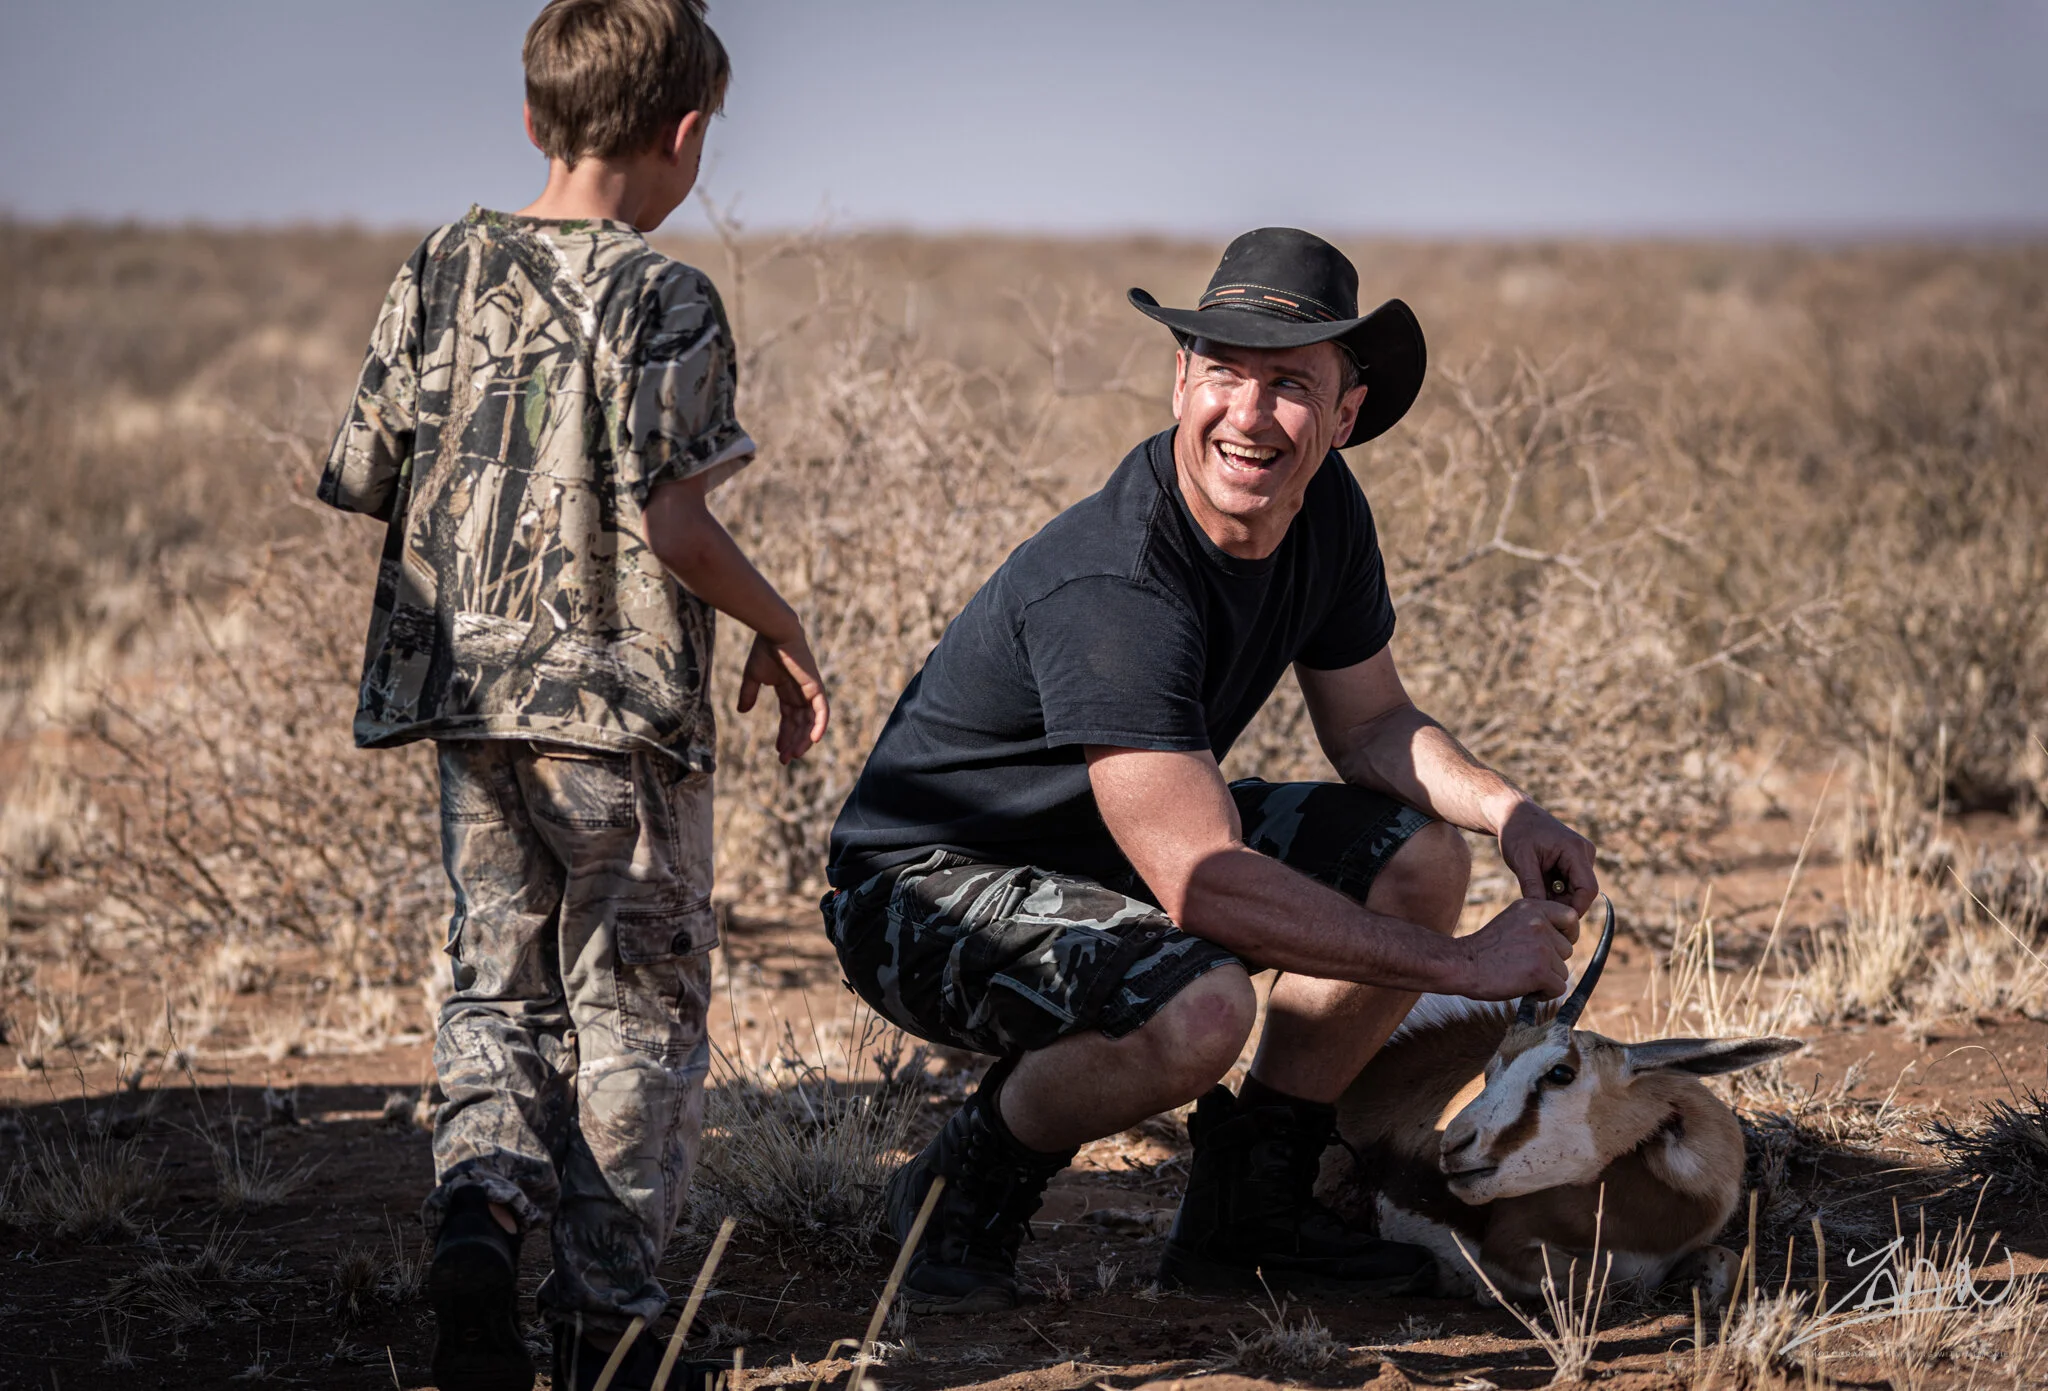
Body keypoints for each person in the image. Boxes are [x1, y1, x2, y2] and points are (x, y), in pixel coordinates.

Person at [822, 228, 1599, 1314]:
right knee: (1195, 1010)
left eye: (1289, 385)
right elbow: (1202, 881)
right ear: (1179, 378)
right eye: (1223, 371)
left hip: (1112, 848)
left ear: (1344, 415)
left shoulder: (1324, 508)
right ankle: (957, 1190)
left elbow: (1372, 725)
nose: (1248, 414)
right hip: (921, 889)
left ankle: (1248, 1211)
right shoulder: (1117, 582)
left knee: (1420, 856)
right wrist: (1462, 964)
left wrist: (1507, 811)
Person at [319, 3, 828, 1387]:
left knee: (495, 983)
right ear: (685, 133)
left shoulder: (441, 264)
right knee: (635, 1010)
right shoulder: (668, 297)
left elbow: (366, 469)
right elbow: (676, 525)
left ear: (533, 118)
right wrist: (779, 623)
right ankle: (609, 1318)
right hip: (622, 722)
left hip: (469, 706)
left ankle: (478, 1213)